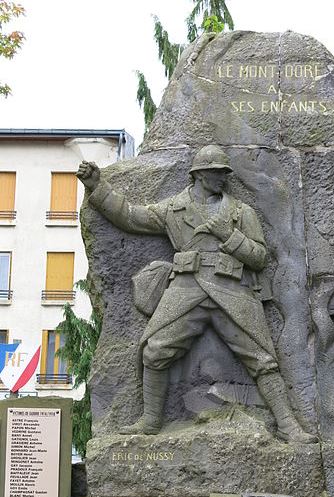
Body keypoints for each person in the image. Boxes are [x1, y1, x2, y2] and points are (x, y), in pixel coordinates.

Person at [77, 145, 316, 443]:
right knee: (154, 351)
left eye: (225, 173)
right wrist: (98, 187)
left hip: (231, 287)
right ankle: (150, 421)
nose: (223, 178)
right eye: (217, 173)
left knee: (262, 359)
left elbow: (259, 258)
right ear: (200, 174)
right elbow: (130, 217)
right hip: (187, 287)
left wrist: (227, 235)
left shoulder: (242, 212)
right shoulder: (174, 208)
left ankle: (288, 426)